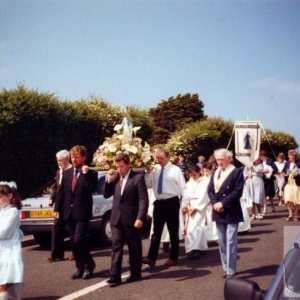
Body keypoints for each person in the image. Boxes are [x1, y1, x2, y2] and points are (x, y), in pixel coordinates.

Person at [104, 153, 149, 287]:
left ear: (128, 164)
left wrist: (140, 217)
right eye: (117, 167)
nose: (119, 169)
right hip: (116, 218)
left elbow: (143, 199)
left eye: (122, 166)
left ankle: (135, 273)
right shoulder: (116, 177)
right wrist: (109, 180)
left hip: (132, 218)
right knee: (116, 246)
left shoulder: (138, 178)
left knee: (134, 246)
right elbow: (106, 195)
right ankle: (114, 276)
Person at [54, 145, 98, 280]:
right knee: (73, 242)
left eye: (77, 157)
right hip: (68, 213)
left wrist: (85, 175)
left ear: (84, 158)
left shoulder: (91, 173)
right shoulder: (66, 173)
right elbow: (61, 193)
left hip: (82, 213)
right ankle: (80, 267)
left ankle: (89, 265)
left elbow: (91, 189)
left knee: (79, 240)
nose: (74, 159)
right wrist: (57, 209)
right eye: (72, 157)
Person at [143, 148, 188, 267]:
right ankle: (151, 258)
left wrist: (184, 205)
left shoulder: (175, 170)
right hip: (159, 203)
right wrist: (148, 173)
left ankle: (174, 257)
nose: (159, 160)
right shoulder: (155, 170)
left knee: (173, 231)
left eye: (161, 158)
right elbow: (148, 184)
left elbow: (183, 188)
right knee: (156, 232)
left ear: (168, 157)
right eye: (157, 158)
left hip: (172, 202)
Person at [207, 148, 244, 279]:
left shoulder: (237, 172)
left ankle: (231, 270)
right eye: (217, 159)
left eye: (221, 159)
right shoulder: (215, 172)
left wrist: (222, 203)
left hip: (231, 210)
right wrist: (215, 204)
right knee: (222, 241)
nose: (219, 162)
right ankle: (226, 266)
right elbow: (210, 190)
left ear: (229, 159)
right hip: (218, 210)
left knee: (231, 241)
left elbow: (237, 192)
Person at [48, 149, 73, 262]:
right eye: (57, 160)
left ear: (67, 159)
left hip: (70, 205)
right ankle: (56, 254)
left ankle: (75, 253)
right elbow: (56, 187)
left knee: (72, 229)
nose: (59, 162)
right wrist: (51, 198)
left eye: (61, 160)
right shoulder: (59, 172)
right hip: (59, 206)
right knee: (56, 228)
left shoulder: (73, 171)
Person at [0, 181, 23, 300]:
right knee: (9, 287)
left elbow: (4, 232)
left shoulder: (13, 212)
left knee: (4, 285)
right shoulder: (1, 212)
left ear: (10, 196)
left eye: (0, 197)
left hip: (8, 252)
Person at [183, 164, 210, 259]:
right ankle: (199, 246)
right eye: (190, 174)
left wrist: (196, 207)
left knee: (197, 227)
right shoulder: (189, 183)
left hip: (199, 207)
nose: (192, 176)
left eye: (194, 174)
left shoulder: (205, 182)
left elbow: (205, 196)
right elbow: (185, 195)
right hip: (190, 207)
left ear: (199, 172)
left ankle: (195, 249)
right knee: (190, 228)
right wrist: (187, 206)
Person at [283, 149, 300, 221]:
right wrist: (285, 174)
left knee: (297, 200)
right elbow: (284, 172)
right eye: (288, 155)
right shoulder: (287, 163)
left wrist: (296, 173)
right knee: (288, 198)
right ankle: (290, 214)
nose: (289, 156)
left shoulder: (299, 163)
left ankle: (295, 214)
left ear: (294, 156)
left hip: (297, 183)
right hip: (289, 183)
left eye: (290, 155)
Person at [259, 150, 278, 214]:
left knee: (270, 195)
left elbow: (275, 169)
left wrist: (269, 171)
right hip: (263, 179)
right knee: (264, 194)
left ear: (265, 156)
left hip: (269, 180)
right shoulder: (259, 162)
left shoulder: (270, 161)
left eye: (262, 156)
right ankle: (265, 208)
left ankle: (272, 206)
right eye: (260, 156)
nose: (261, 157)